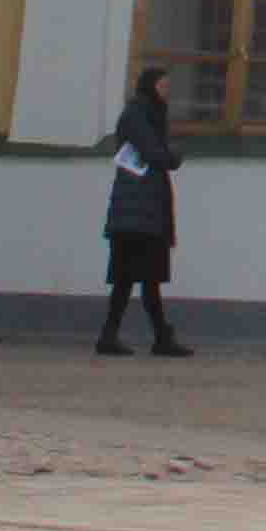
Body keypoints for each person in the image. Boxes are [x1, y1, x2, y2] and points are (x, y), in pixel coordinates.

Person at [93, 67, 189, 358]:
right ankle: (152, 337)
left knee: (139, 278)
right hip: (138, 213)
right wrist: (173, 155)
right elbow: (154, 154)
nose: (167, 91)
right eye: (163, 85)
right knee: (138, 278)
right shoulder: (138, 115)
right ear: (150, 87)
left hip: (141, 212)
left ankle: (133, 336)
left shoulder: (146, 115)